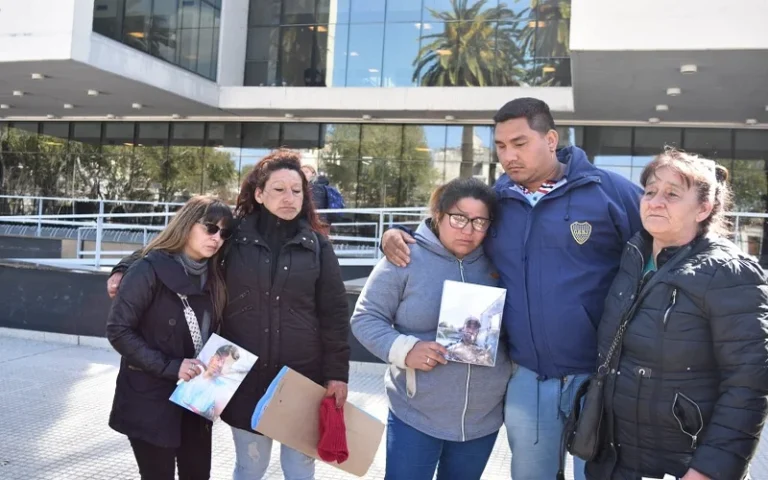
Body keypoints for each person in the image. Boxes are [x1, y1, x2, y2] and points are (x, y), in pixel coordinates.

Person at [381, 98, 643, 479]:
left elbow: (664, 242)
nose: (508, 156)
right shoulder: (497, 201)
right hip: (528, 378)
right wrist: (397, 234)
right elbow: (449, 229)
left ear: (551, 139)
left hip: (599, 378)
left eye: (519, 143)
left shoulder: (610, 192)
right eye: (501, 146)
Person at [108, 150, 351, 480]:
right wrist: (123, 267)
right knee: (250, 465)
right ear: (259, 193)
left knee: (299, 468)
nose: (289, 198)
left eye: (297, 190)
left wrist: (337, 374)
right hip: (237, 371)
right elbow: (173, 245)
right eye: (278, 189)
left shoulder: (317, 246)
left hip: (300, 376)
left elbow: (335, 313)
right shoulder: (233, 236)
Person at [585, 149, 768, 480]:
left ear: (703, 208)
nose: (655, 201)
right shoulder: (633, 256)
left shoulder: (729, 272)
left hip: (680, 469)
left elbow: (749, 385)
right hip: (613, 462)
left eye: (672, 194)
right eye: (651, 191)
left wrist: (707, 471)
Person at [351, 178, 513, 480]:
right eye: (459, 218)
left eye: (480, 221)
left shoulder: (501, 264)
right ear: (438, 214)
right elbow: (365, 317)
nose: (468, 230)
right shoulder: (405, 257)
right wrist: (405, 349)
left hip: (481, 420)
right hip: (416, 415)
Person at [106, 195, 234, 480]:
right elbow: (118, 330)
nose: (217, 238)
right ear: (187, 224)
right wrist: (170, 366)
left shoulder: (216, 275)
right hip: (150, 396)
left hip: (197, 396)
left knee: (198, 474)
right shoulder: (148, 269)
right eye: (210, 228)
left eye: (225, 233)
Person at [170, 344, 241, 420]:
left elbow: (214, 415)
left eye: (226, 364)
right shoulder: (193, 368)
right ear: (212, 358)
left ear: (229, 369)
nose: (219, 365)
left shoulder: (222, 388)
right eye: (218, 359)